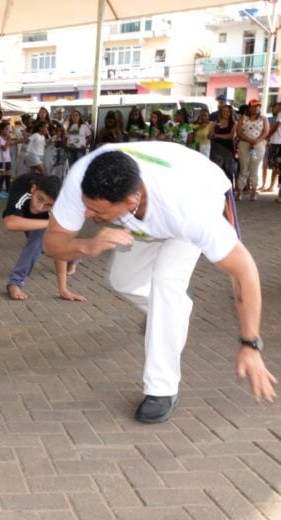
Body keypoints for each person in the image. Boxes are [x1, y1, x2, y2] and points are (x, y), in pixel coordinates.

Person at [43, 142, 277, 423]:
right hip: (149, 214)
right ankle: (171, 311)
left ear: (131, 202)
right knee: (122, 281)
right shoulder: (83, 177)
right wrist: (87, 246)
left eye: (98, 212)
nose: (88, 215)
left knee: (167, 281)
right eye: (87, 207)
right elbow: (52, 243)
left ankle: (161, 389)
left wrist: (250, 344)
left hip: (200, 191)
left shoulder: (189, 211)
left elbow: (244, 270)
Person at [3, 174, 85, 302]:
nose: (40, 207)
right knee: (38, 241)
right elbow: (10, 223)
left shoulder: (60, 208)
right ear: (33, 189)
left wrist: (63, 290)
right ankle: (15, 283)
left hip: (51, 222)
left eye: (47, 204)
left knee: (42, 239)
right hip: (27, 214)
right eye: (39, 199)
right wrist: (50, 223)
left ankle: (73, 259)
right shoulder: (21, 189)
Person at [236, 99, 269, 201]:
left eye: (258, 106)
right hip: (244, 145)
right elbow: (239, 132)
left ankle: (253, 192)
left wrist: (256, 141)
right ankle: (240, 191)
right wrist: (249, 140)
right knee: (244, 167)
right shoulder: (243, 118)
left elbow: (265, 131)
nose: (255, 108)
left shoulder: (264, 119)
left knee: (254, 168)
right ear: (249, 107)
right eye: (253, 106)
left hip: (257, 146)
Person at [208, 104, 236, 184]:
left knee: (227, 170)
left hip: (227, 149)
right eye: (224, 111)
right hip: (215, 149)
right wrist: (214, 127)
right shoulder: (216, 122)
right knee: (216, 170)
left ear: (230, 113)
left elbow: (231, 136)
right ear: (221, 112)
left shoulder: (233, 123)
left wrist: (217, 136)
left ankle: (229, 193)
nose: (226, 113)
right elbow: (209, 136)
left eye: (228, 112)